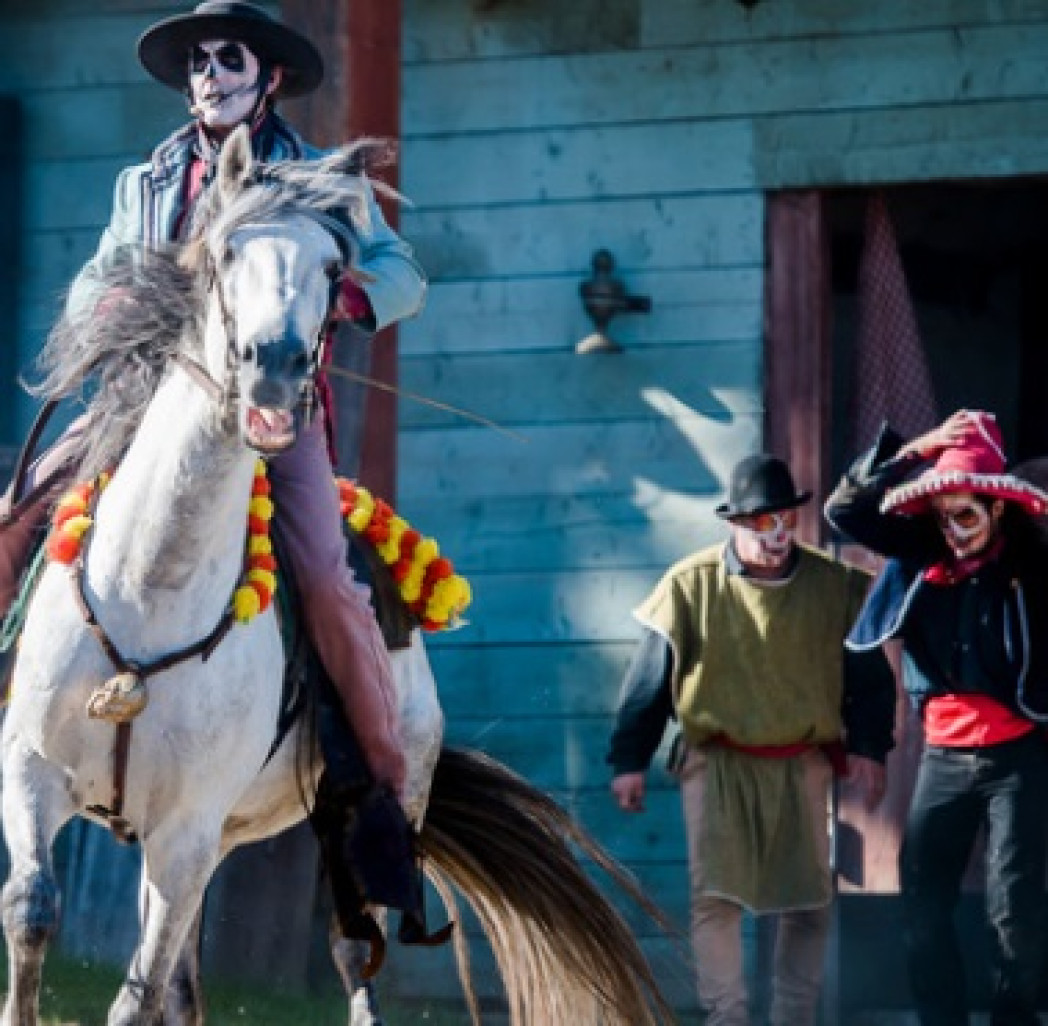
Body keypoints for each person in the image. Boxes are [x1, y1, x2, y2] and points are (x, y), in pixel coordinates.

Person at [0, 1, 427, 799]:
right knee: (12, 514)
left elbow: (403, 272)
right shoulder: (144, 182)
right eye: (198, 63)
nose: (210, 76)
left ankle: (380, 786)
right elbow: (97, 276)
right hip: (143, 407)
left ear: (269, 77)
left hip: (272, 413)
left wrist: (352, 300)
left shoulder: (322, 178)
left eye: (229, 59)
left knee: (331, 582)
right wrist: (108, 305)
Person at [607, 453, 896, 1026]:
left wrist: (870, 746)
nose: (777, 535)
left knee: (809, 901)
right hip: (717, 760)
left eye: (785, 519)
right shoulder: (689, 586)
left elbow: (869, 675)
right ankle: (728, 1018)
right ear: (734, 524)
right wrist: (629, 759)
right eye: (761, 523)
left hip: (802, 759)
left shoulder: (833, 587)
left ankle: (794, 1018)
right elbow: (649, 679)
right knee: (716, 898)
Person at [825, 409, 1048, 1026]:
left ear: (998, 508)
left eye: (967, 514)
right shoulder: (921, 546)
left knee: (1015, 915)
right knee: (922, 910)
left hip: (1019, 755)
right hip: (943, 758)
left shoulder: (1030, 555)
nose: (953, 529)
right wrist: (917, 449)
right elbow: (844, 510)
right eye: (944, 514)